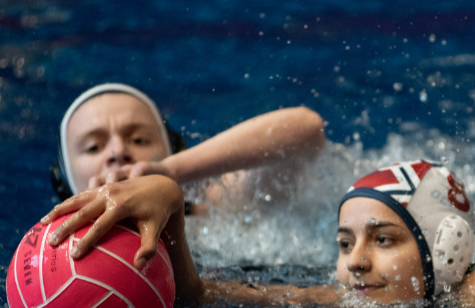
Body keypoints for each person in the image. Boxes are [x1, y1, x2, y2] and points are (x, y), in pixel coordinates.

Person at [41, 160, 475, 308]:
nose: (356, 262)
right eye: (345, 244)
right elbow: (199, 296)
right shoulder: (339, 300)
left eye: (384, 239)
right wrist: (170, 202)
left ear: (447, 253)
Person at [51, 83, 327, 214]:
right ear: (64, 181)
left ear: (173, 152)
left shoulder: (215, 209)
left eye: (139, 140)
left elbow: (308, 127)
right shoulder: (50, 255)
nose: (117, 152)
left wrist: (170, 172)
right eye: (93, 147)